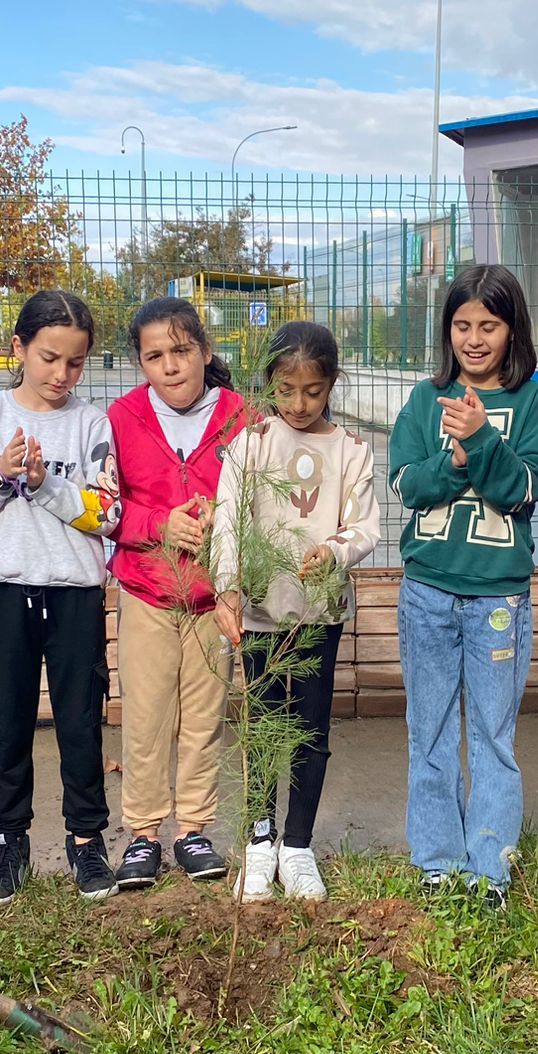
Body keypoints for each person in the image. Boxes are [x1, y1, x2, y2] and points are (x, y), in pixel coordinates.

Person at [386, 264, 538, 910]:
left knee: (491, 734)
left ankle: (491, 869)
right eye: (462, 325)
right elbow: (408, 487)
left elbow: (521, 494)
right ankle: (436, 860)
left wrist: (480, 439)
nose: (475, 338)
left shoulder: (531, 402)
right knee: (427, 729)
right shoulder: (425, 401)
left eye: (489, 324)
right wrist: (457, 460)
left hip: (498, 599)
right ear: (446, 330)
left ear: (513, 331)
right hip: (426, 591)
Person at [0, 290, 120, 905]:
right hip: (2, 589)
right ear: (18, 348)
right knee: (8, 719)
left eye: (75, 363)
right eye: (49, 357)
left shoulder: (91, 423)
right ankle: (9, 842)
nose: (60, 375)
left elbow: (108, 514)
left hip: (75, 593)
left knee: (80, 719)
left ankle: (87, 841)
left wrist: (46, 484)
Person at [210, 321, 381, 902]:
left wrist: (333, 550)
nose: (299, 403)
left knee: (309, 729)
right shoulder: (250, 444)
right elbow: (229, 520)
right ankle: (260, 843)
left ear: (332, 383)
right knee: (261, 728)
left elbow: (364, 526)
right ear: (270, 385)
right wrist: (228, 588)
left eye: (312, 390)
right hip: (260, 612)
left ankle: (298, 844)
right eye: (286, 390)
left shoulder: (352, 450)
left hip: (318, 614)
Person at [108, 296, 249, 889]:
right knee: (145, 715)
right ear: (141, 363)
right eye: (154, 356)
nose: (169, 366)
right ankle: (142, 834)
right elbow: (105, 505)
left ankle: (194, 829)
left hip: (212, 597)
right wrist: (158, 525)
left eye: (181, 351)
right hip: (146, 591)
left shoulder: (239, 415)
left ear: (205, 352)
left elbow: (256, 500)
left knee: (204, 716)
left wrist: (226, 518)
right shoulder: (120, 417)